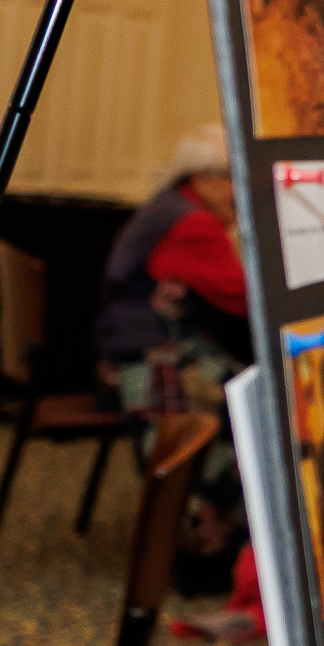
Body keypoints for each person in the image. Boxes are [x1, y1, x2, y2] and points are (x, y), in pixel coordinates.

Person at [95, 127, 253, 608]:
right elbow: (246, 298)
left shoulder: (172, 204)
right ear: (203, 178)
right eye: (234, 179)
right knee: (249, 409)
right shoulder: (193, 226)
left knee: (239, 384)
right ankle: (213, 549)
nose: (240, 191)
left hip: (130, 352)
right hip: (148, 363)